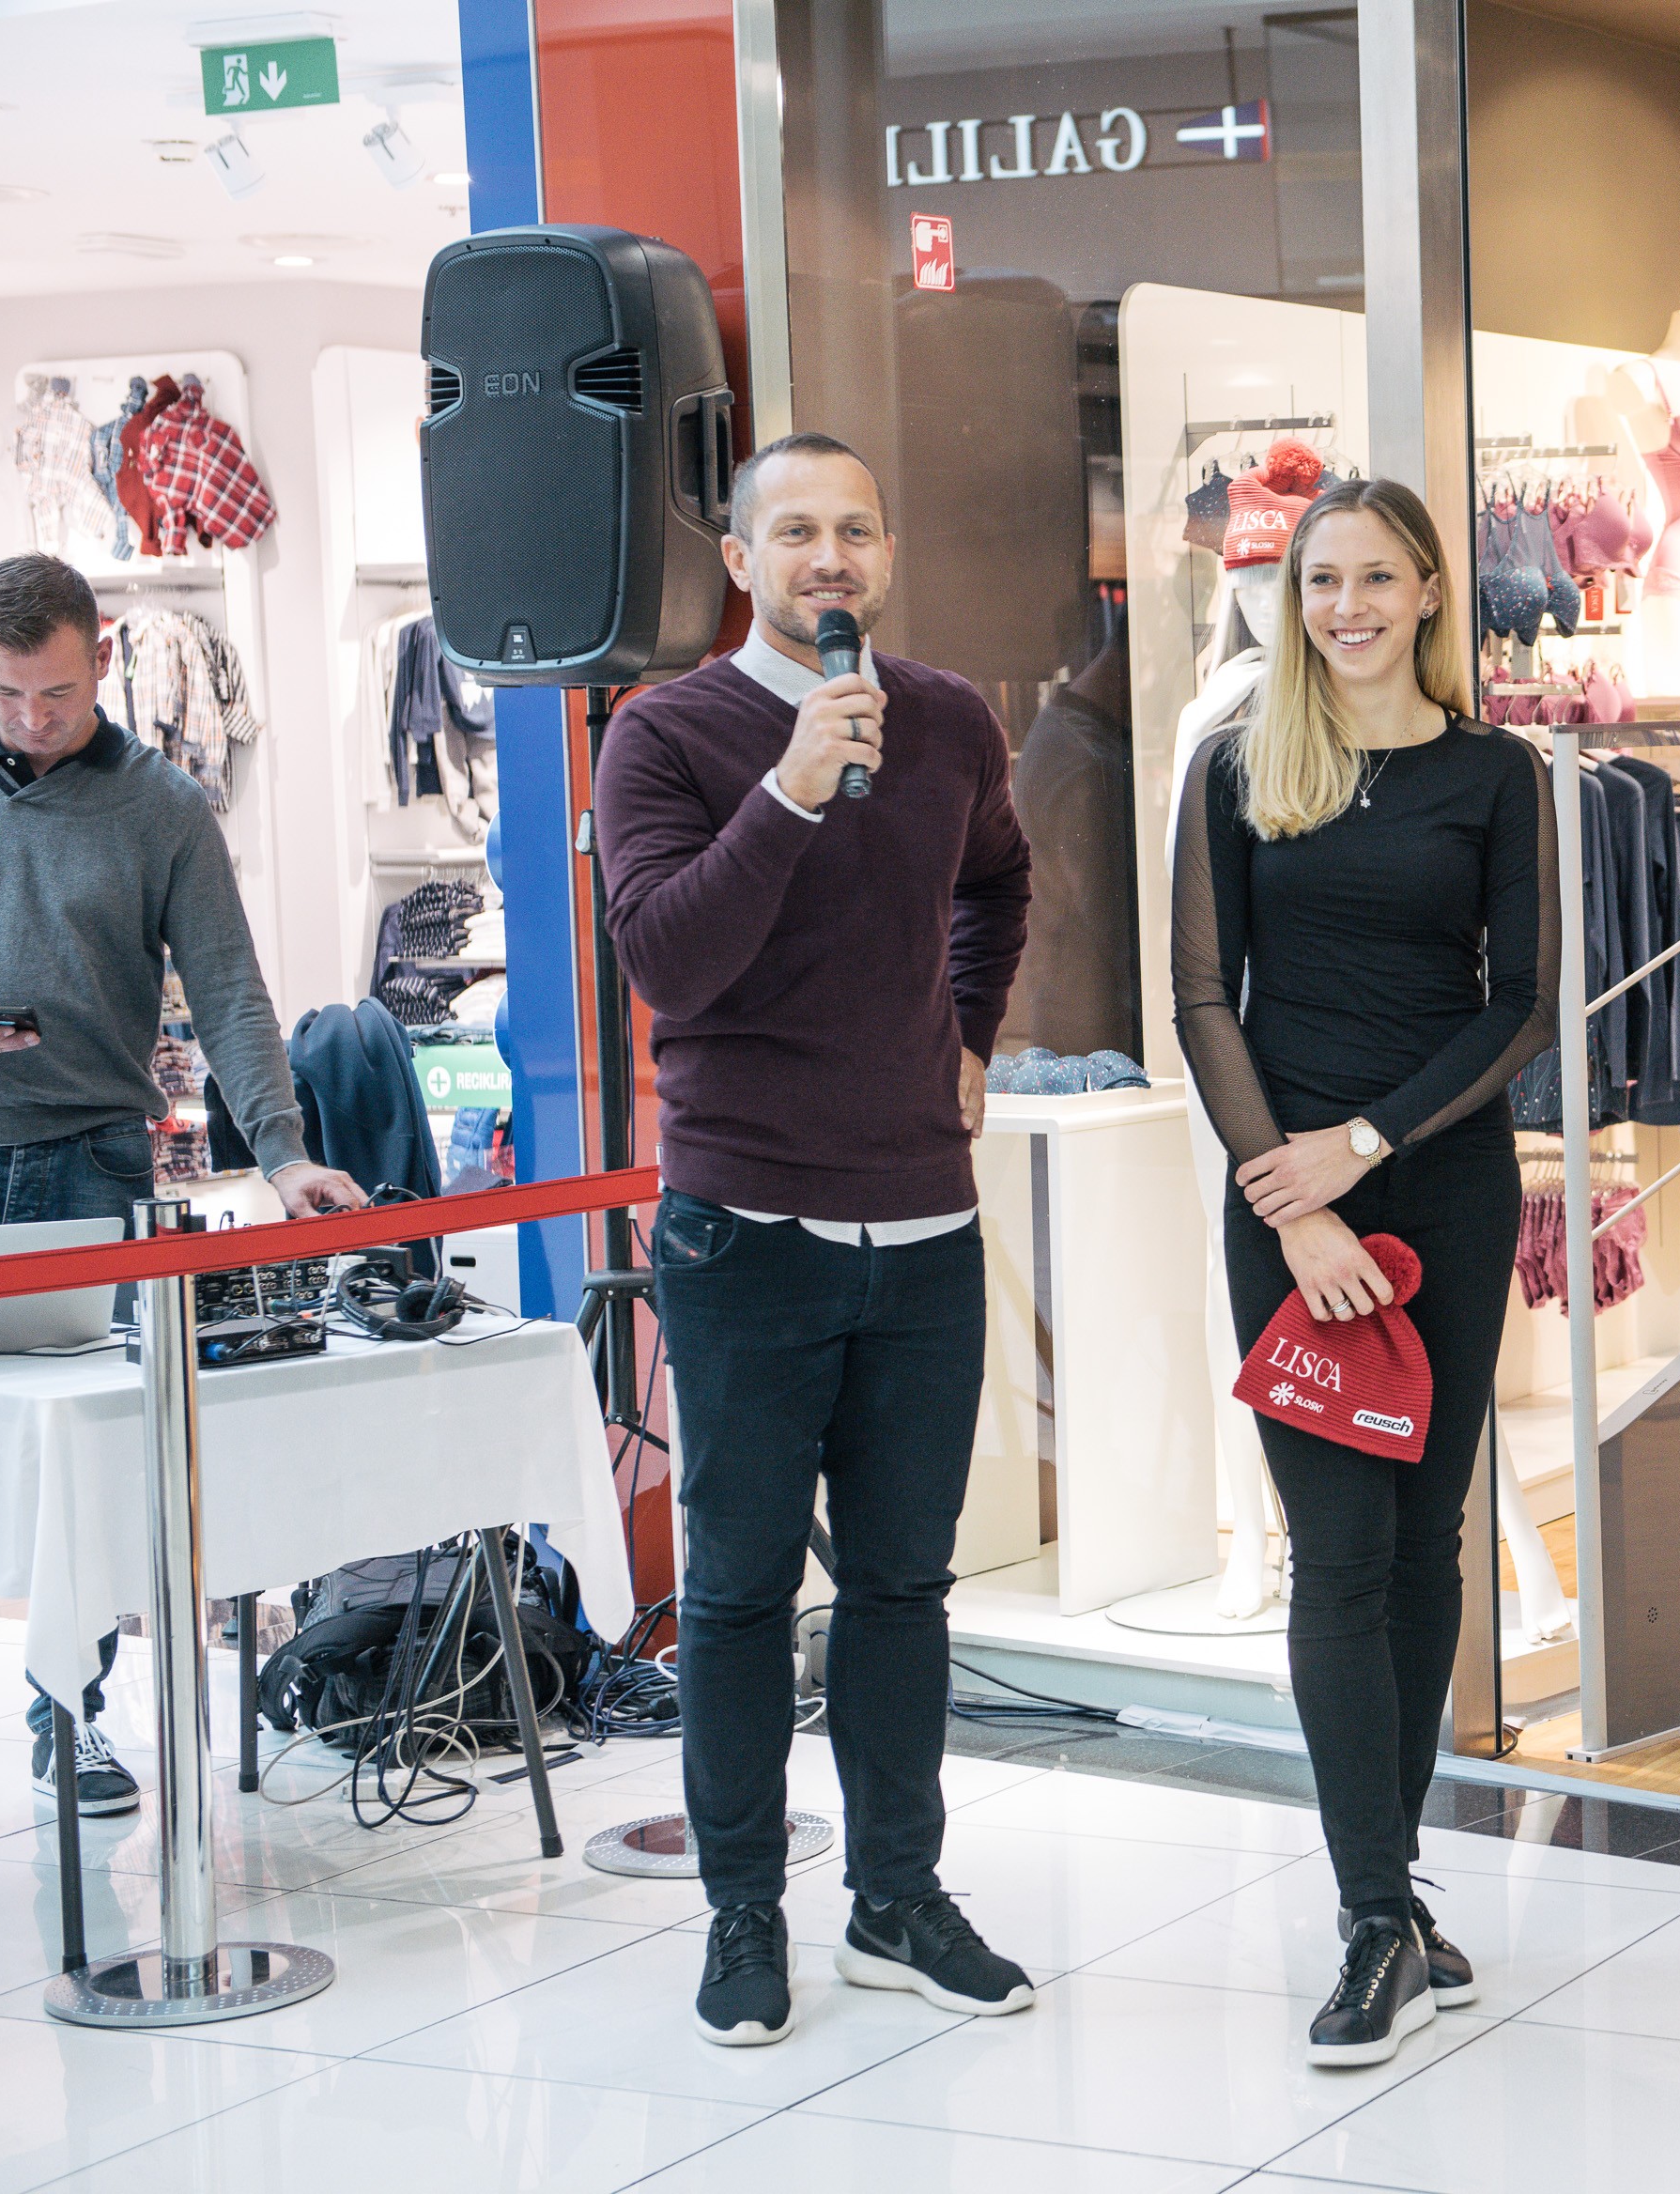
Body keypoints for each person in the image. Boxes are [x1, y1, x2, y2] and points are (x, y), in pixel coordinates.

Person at [593, 432, 1036, 2047]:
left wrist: (969, 1031)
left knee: (905, 1585)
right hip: (748, 1230)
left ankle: (896, 1899)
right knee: (736, 1593)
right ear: (741, 560)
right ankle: (742, 1914)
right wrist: (788, 791)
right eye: (795, 532)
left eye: (855, 529)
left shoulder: (950, 719)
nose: (829, 557)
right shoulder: (665, 734)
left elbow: (998, 884)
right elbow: (669, 959)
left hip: (923, 1221)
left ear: (888, 552)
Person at [1170, 476, 1552, 2067]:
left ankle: (1389, 1900)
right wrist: (1294, 1197)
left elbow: (1522, 1007)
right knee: (1336, 1551)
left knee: (1425, 1545)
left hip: (1440, 1188)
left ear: (1430, 591)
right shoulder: (1239, 762)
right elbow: (1203, 997)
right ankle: (1373, 1914)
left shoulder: (1497, 774)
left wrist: (1370, 1145)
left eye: (1377, 578)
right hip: (1285, 1207)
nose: (1347, 607)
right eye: (1321, 580)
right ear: (1292, 597)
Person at [0, 553, 366, 1858]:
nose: (31, 719)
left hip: (92, 1168)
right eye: (6, 693)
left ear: (100, 657)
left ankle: (72, 1719)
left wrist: (283, 1154)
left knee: (96, 1461)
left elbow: (229, 992)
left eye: (55, 693)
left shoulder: (163, 804)